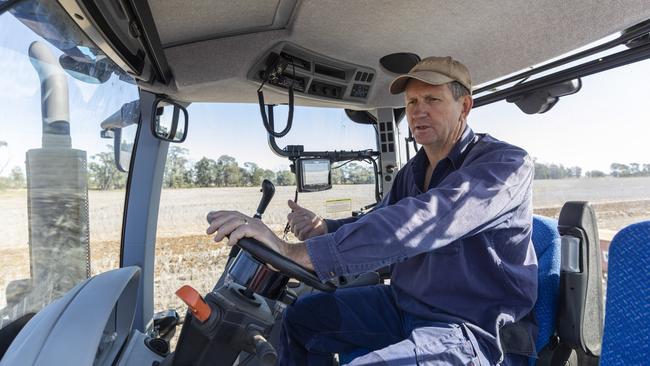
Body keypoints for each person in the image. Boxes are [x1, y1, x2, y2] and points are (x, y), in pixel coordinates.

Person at [206, 56, 538, 365]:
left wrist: (296, 252)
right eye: (411, 102)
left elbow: (426, 219)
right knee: (301, 318)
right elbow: (379, 219)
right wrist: (325, 227)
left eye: (432, 100)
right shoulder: (412, 171)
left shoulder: (505, 165)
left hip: (471, 327)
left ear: (464, 105)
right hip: (404, 305)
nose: (417, 111)